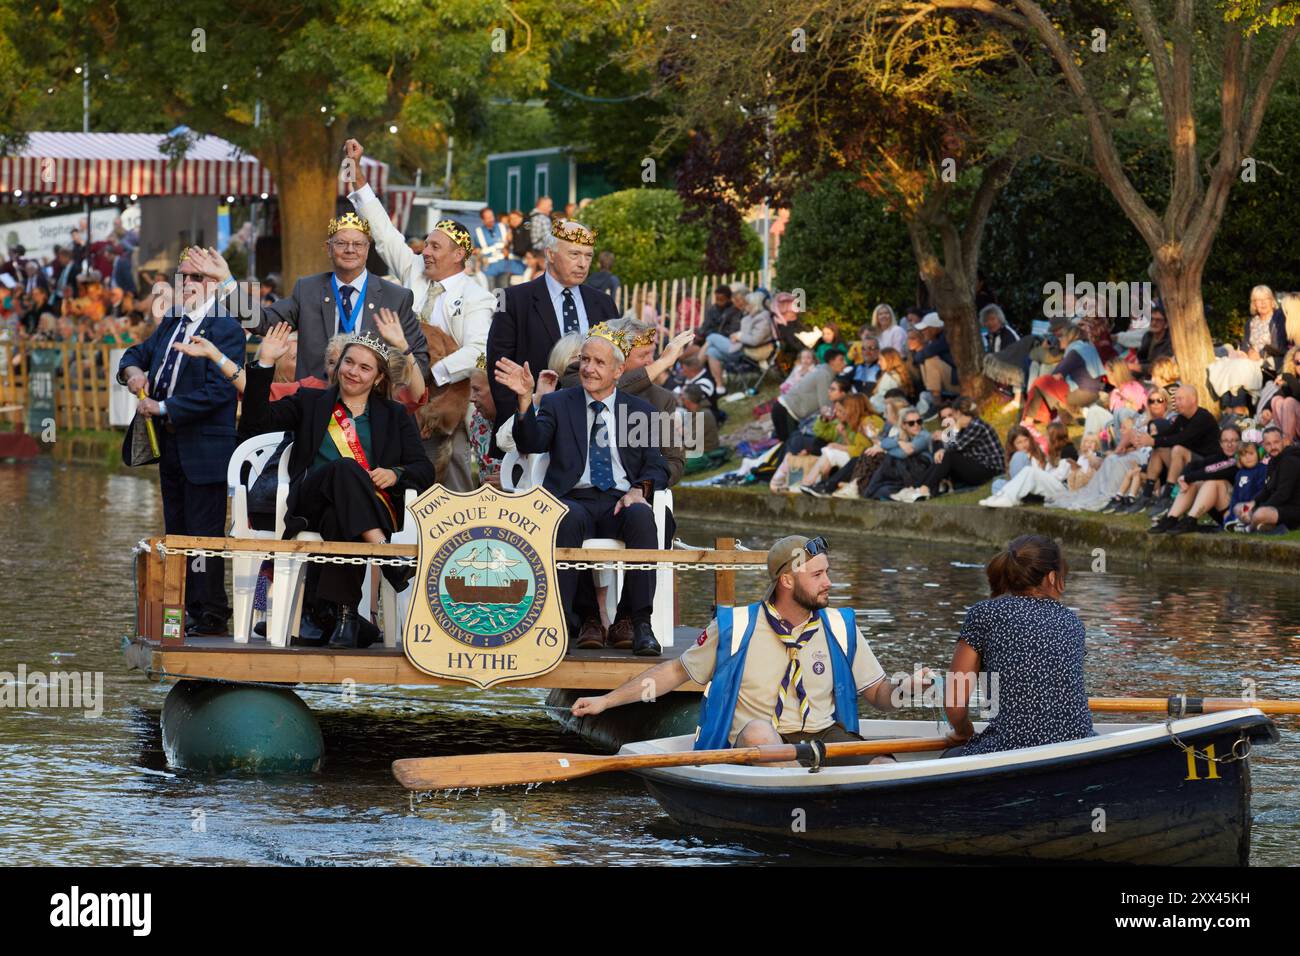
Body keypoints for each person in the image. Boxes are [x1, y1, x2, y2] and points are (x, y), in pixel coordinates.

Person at [570, 535, 933, 765]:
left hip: (822, 736)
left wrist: (908, 689)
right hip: (758, 741)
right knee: (760, 731)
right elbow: (673, 673)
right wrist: (606, 701)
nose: (829, 582)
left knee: (884, 765)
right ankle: (803, 795)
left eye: (827, 572)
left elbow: (878, 695)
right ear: (787, 581)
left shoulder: (840, 626)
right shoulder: (737, 626)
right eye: (818, 575)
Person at [240, 330, 435, 647]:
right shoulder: (310, 401)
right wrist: (264, 362)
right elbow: (254, 424)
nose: (353, 372)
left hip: (363, 508)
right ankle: (386, 555)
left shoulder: (394, 415)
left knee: (339, 516)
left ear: (377, 377)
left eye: (364, 368)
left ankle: (342, 618)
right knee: (345, 468)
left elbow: (423, 469)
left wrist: (395, 474)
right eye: (349, 362)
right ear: (337, 364)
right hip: (310, 503)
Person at [495, 324, 669, 656]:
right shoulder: (559, 403)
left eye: (599, 363)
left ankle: (637, 622)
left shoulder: (640, 411)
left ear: (619, 370)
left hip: (621, 498)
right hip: (575, 498)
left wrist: (639, 490)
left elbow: (656, 465)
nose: (588, 368)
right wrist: (524, 401)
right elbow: (533, 441)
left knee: (643, 519)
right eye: (585, 360)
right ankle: (571, 620)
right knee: (566, 518)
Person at [116, 250, 245, 636]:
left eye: (196, 278)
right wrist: (134, 371)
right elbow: (137, 354)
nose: (187, 284)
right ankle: (186, 607)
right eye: (183, 276)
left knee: (203, 536)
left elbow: (220, 392)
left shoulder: (226, 329)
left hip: (206, 446)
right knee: (177, 531)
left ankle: (211, 613)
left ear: (213, 286)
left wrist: (164, 405)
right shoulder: (173, 320)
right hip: (170, 445)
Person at [189, 216, 428, 382]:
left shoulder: (395, 296)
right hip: (315, 401)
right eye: (342, 243)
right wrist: (226, 280)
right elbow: (262, 322)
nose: (350, 249)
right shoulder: (308, 289)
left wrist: (394, 391)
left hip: (371, 408)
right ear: (328, 248)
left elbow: (419, 358)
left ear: (368, 249)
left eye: (358, 244)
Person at [943, 535, 1093, 757]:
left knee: (949, 757)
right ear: (1052, 577)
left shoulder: (984, 614)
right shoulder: (1073, 623)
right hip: (1078, 747)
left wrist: (964, 733)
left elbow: (954, 703)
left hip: (1010, 749)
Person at [485, 217, 619, 448]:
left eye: (588, 256)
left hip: (593, 429)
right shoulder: (513, 300)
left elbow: (615, 365)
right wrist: (520, 429)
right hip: (534, 426)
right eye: (574, 254)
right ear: (550, 254)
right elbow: (501, 369)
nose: (583, 264)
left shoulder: (604, 304)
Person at [1122, 384, 1220, 515]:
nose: (1177, 403)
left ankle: (1167, 496)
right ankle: (1146, 496)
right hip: (1189, 464)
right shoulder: (1182, 417)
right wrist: (1146, 439)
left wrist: (1154, 441)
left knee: (1178, 449)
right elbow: (1168, 434)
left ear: (1193, 399)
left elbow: (1181, 439)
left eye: (1181, 399)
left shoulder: (1203, 417)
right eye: (1176, 399)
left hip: (1206, 466)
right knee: (1160, 448)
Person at [892, 396, 1003, 502]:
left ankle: (923, 489)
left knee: (948, 456)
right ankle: (915, 488)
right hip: (978, 466)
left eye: (953, 414)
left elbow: (956, 446)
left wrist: (954, 430)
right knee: (944, 455)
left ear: (959, 413)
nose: (952, 418)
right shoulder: (968, 426)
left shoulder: (976, 426)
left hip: (989, 470)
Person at [1150, 426, 1242, 534]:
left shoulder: (1241, 460)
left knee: (1214, 482)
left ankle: (1191, 519)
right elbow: (1193, 465)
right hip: (1220, 512)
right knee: (1195, 483)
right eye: (1225, 441)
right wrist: (1184, 478)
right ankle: (1171, 518)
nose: (1229, 445)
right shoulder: (1219, 457)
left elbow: (1217, 474)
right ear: (1220, 443)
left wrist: (1187, 478)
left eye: (1234, 440)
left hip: (1235, 515)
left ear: (1240, 442)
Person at [1022, 319, 1103, 425]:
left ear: (1069, 338)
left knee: (1041, 383)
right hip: (1094, 392)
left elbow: (1056, 375)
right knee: (1046, 387)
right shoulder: (1087, 346)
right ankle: (1065, 416)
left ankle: (1029, 422)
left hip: (1083, 394)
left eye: (1061, 336)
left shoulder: (1073, 352)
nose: (1058, 339)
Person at [771, 350, 847, 443]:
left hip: (785, 410)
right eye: (841, 360)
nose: (845, 363)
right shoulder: (824, 375)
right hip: (786, 411)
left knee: (790, 444)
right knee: (790, 446)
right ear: (832, 362)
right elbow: (825, 405)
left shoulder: (824, 372)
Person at [1243, 426, 1300, 533]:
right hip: (1279, 508)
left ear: (1283, 441)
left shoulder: (1290, 461)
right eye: (1268, 444)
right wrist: (1253, 502)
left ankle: (1248, 528)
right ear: (1264, 445)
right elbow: (1267, 489)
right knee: (1241, 507)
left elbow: (1282, 495)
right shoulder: (1272, 462)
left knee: (1260, 513)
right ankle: (1266, 526)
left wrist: (1260, 508)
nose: (1273, 447)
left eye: (1276, 442)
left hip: (1294, 510)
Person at [471, 206, 511, 290]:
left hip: (504, 265)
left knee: (504, 293)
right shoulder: (478, 232)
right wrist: (480, 255)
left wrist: (508, 247)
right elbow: (475, 250)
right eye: (488, 218)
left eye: (492, 216)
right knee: (490, 293)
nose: (491, 219)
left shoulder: (502, 226)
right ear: (483, 220)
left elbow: (510, 241)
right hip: (488, 268)